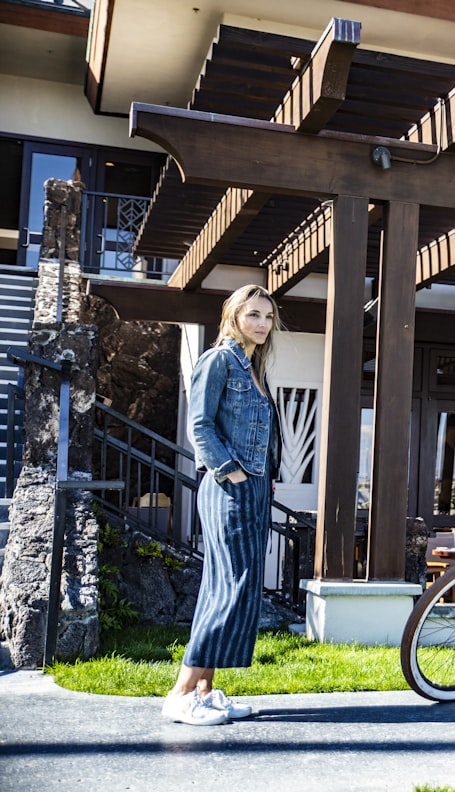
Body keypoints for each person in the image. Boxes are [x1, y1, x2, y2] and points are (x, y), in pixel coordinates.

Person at [161, 284, 284, 725]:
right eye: (253, 315)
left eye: (267, 317)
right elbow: (199, 424)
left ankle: (205, 691)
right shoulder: (218, 361)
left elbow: (264, 434)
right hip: (228, 487)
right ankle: (179, 693)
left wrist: (266, 479)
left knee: (230, 586)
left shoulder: (252, 367)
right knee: (232, 584)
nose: (262, 324)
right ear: (233, 316)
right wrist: (231, 471)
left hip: (252, 488)